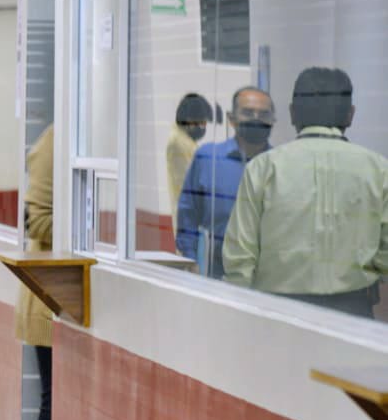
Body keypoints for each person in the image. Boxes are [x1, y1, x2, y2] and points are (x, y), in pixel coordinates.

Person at [223, 67, 388, 318]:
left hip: (276, 313)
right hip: (352, 310)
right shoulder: (379, 170)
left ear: (292, 113)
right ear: (350, 115)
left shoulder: (263, 168)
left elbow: (239, 260)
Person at [176, 86, 275, 278]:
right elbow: (187, 215)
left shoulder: (279, 165)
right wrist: (191, 262)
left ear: (273, 121)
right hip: (213, 274)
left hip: (266, 279)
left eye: (263, 114)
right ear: (231, 119)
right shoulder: (207, 159)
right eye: (248, 112)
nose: (256, 119)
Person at [14, 124, 55, 420]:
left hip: (73, 301)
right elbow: (37, 218)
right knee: (54, 408)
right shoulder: (54, 143)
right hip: (50, 295)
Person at [166, 93, 212, 213]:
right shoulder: (178, 144)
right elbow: (191, 186)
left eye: (205, 123)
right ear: (188, 119)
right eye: (201, 122)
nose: (203, 127)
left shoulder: (186, 141)